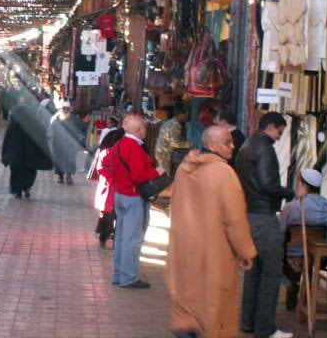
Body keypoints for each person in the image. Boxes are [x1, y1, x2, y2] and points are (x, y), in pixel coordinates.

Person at [167, 126, 257, 338]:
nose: (233, 146)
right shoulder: (224, 173)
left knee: (187, 303)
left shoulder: (184, 167)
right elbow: (235, 220)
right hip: (214, 252)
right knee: (213, 309)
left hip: (184, 248)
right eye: (228, 142)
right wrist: (246, 251)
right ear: (212, 145)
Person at [236, 112, 300, 338]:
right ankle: (266, 328)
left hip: (250, 214)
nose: (280, 137)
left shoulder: (247, 146)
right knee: (270, 273)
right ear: (271, 126)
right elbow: (267, 184)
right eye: (280, 132)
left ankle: (249, 322)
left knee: (254, 271)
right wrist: (290, 192)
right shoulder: (264, 149)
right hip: (264, 216)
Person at [111, 114, 165, 289]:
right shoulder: (133, 147)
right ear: (140, 130)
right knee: (132, 239)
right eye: (144, 128)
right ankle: (129, 277)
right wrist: (157, 172)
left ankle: (119, 274)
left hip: (120, 195)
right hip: (133, 197)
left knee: (121, 237)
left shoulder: (119, 144)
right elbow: (138, 176)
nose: (145, 131)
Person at [278, 168, 327, 310]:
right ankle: (302, 288)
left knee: (280, 241)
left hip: (294, 257)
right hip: (320, 258)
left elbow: (280, 230)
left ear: (302, 184)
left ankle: (293, 282)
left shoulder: (292, 207)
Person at [1, 96, 52, 199]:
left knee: (16, 172)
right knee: (29, 172)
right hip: (30, 154)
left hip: (16, 154)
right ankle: (26, 188)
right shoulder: (34, 123)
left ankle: (17, 190)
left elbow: (7, 139)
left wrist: (5, 153)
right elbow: (41, 137)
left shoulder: (13, 125)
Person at [93, 127, 124, 247]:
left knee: (117, 216)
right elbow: (101, 169)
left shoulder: (123, 153)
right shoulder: (106, 153)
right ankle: (103, 238)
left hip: (118, 191)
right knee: (107, 217)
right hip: (108, 190)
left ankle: (115, 239)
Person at [48, 101, 85, 184]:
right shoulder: (56, 118)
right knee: (59, 160)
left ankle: (69, 176)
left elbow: (80, 127)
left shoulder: (75, 118)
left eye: (67, 108)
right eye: (64, 108)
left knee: (70, 160)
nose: (65, 110)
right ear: (61, 109)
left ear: (70, 109)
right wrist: (50, 139)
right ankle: (60, 176)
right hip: (59, 143)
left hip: (70, 144)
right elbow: (51, 129)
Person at [154, 103, 192, 174]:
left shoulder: (170, 122)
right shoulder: (175, 125)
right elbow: (175, 143)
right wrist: (190, 144)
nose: (187, 116)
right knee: (165, 176)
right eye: (186, 114)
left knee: (163, 174)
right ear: (181, 114)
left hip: (161, 153)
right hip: (164, 155)